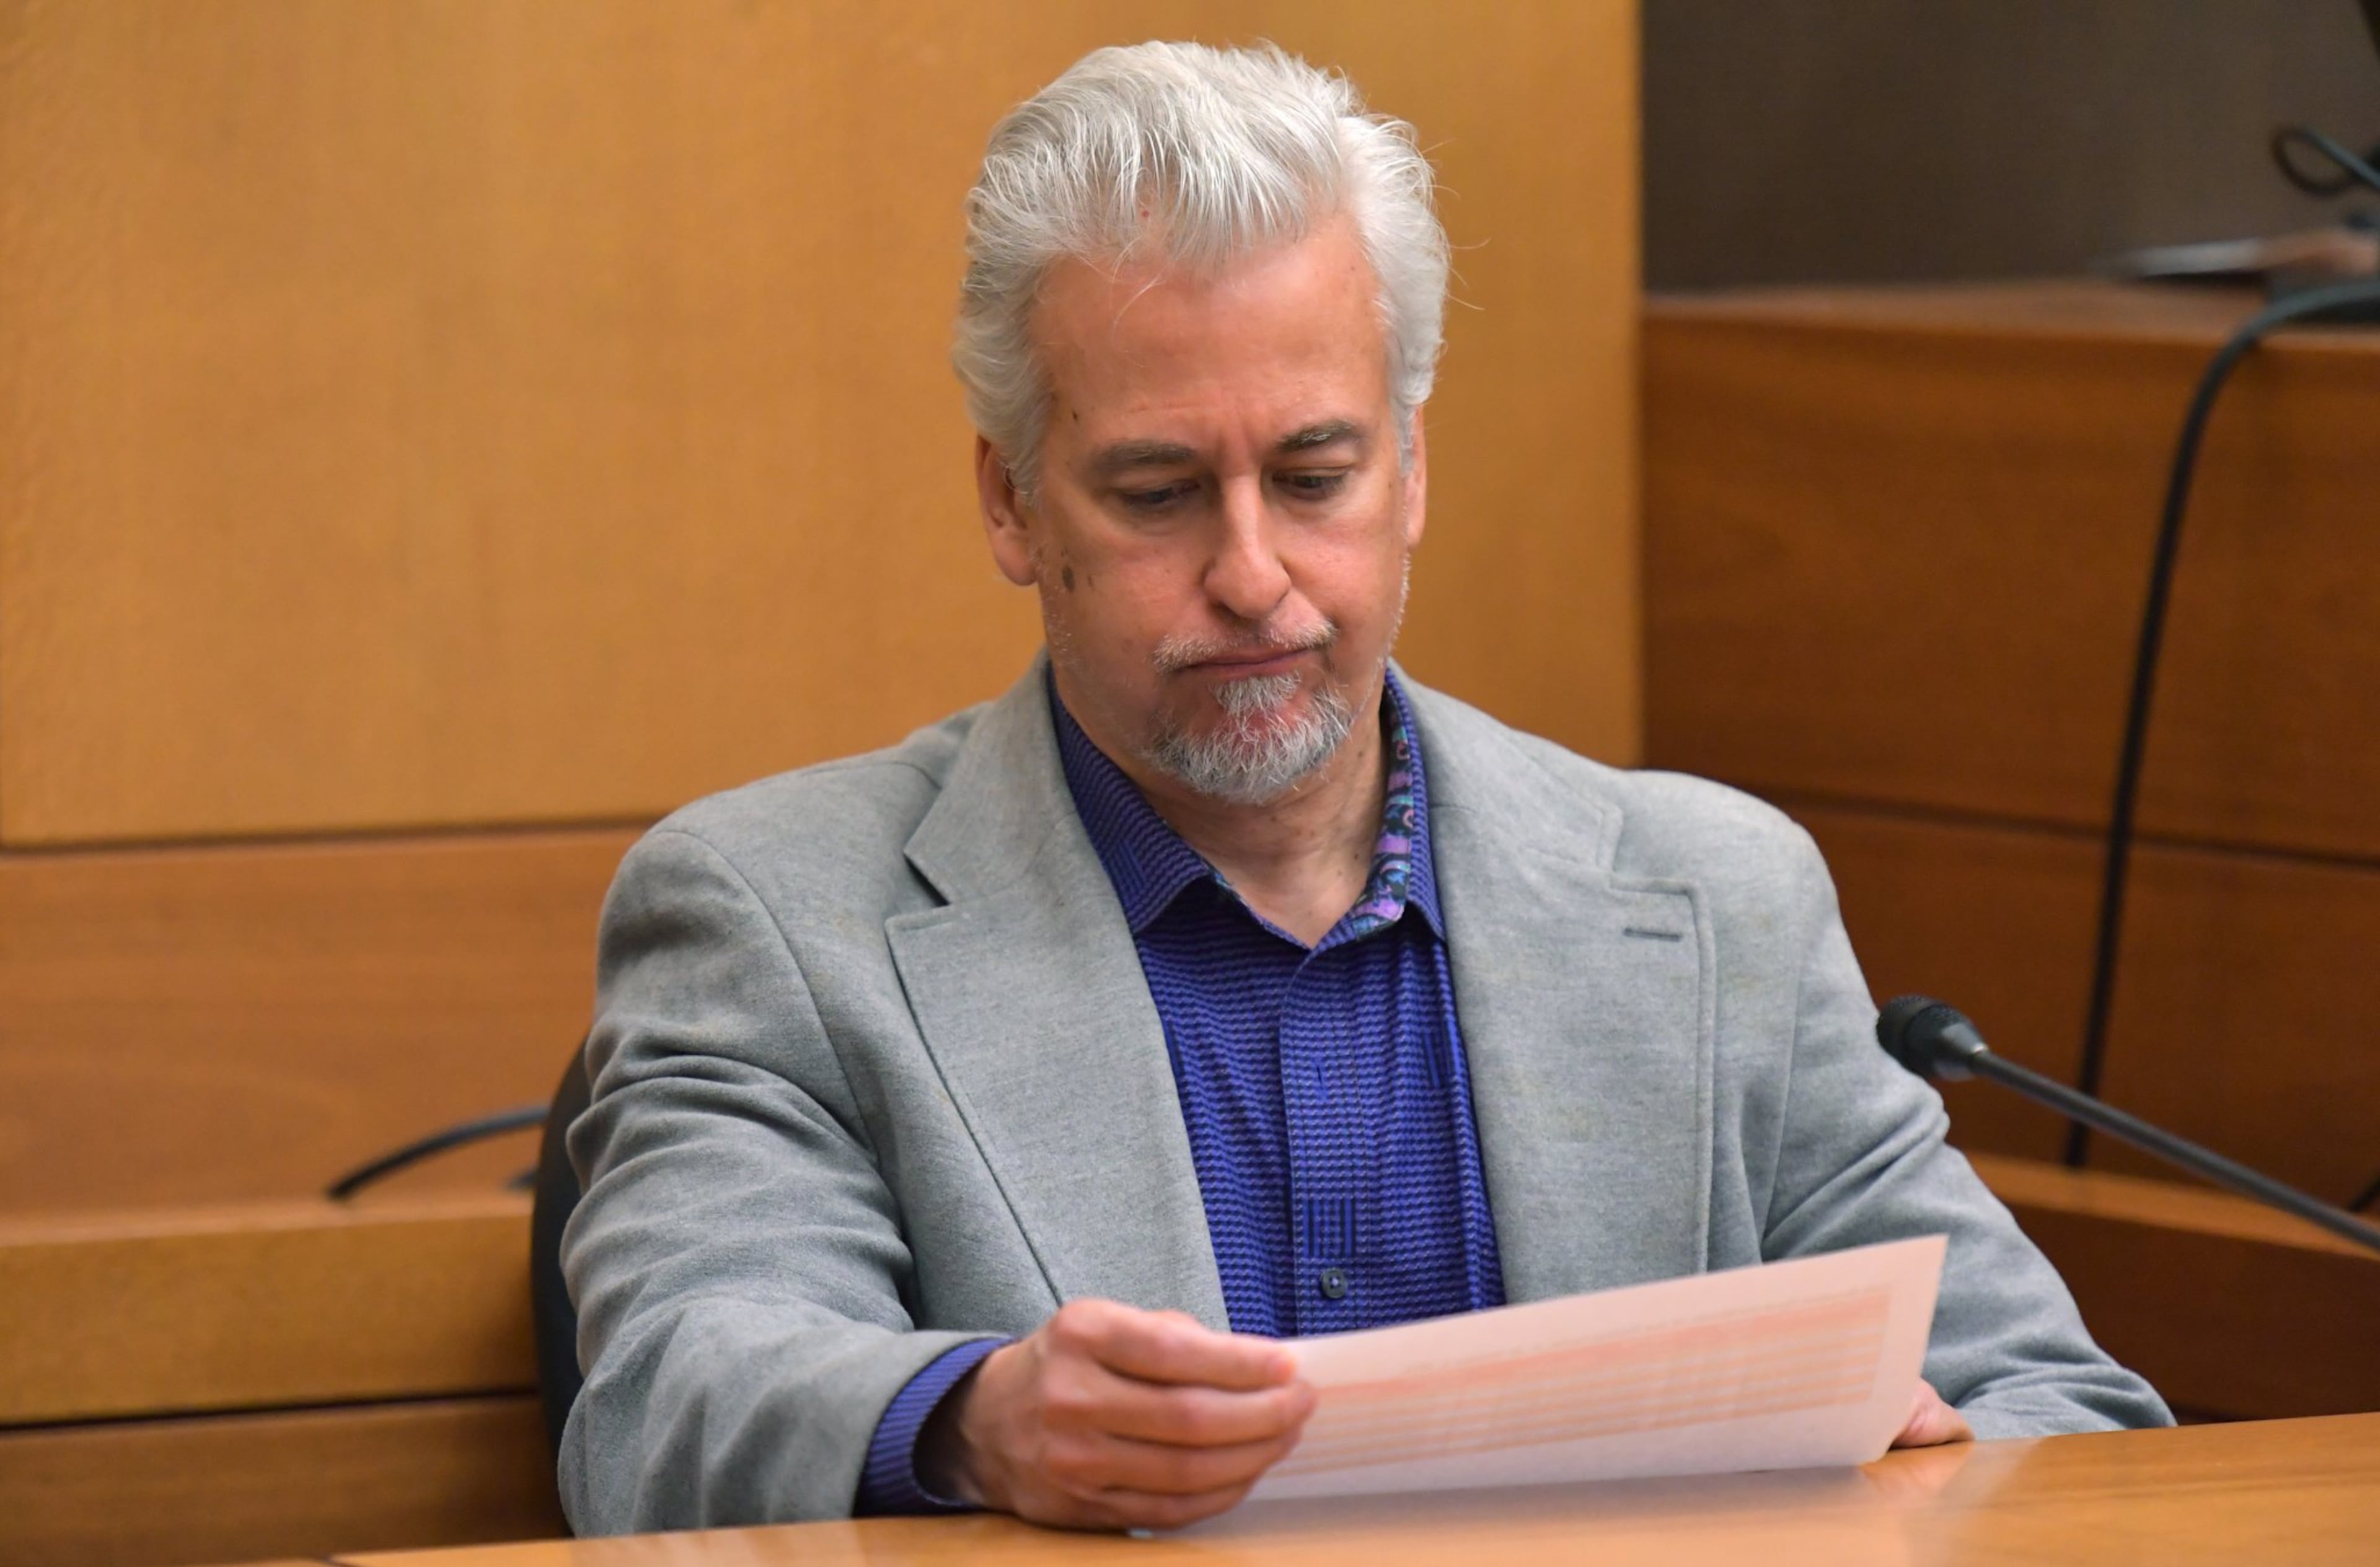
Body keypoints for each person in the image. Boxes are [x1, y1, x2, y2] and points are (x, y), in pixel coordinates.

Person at [557, 40, 2169, 1538]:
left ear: (1413, 470)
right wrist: (973, 1423)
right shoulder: (780, 913)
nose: (1255, 575)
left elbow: (2062, 1413)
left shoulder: (1718, 896)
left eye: (1315, 476)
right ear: (1012, 503)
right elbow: (663, 1400)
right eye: (1159, 493)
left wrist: (1914, 1476)